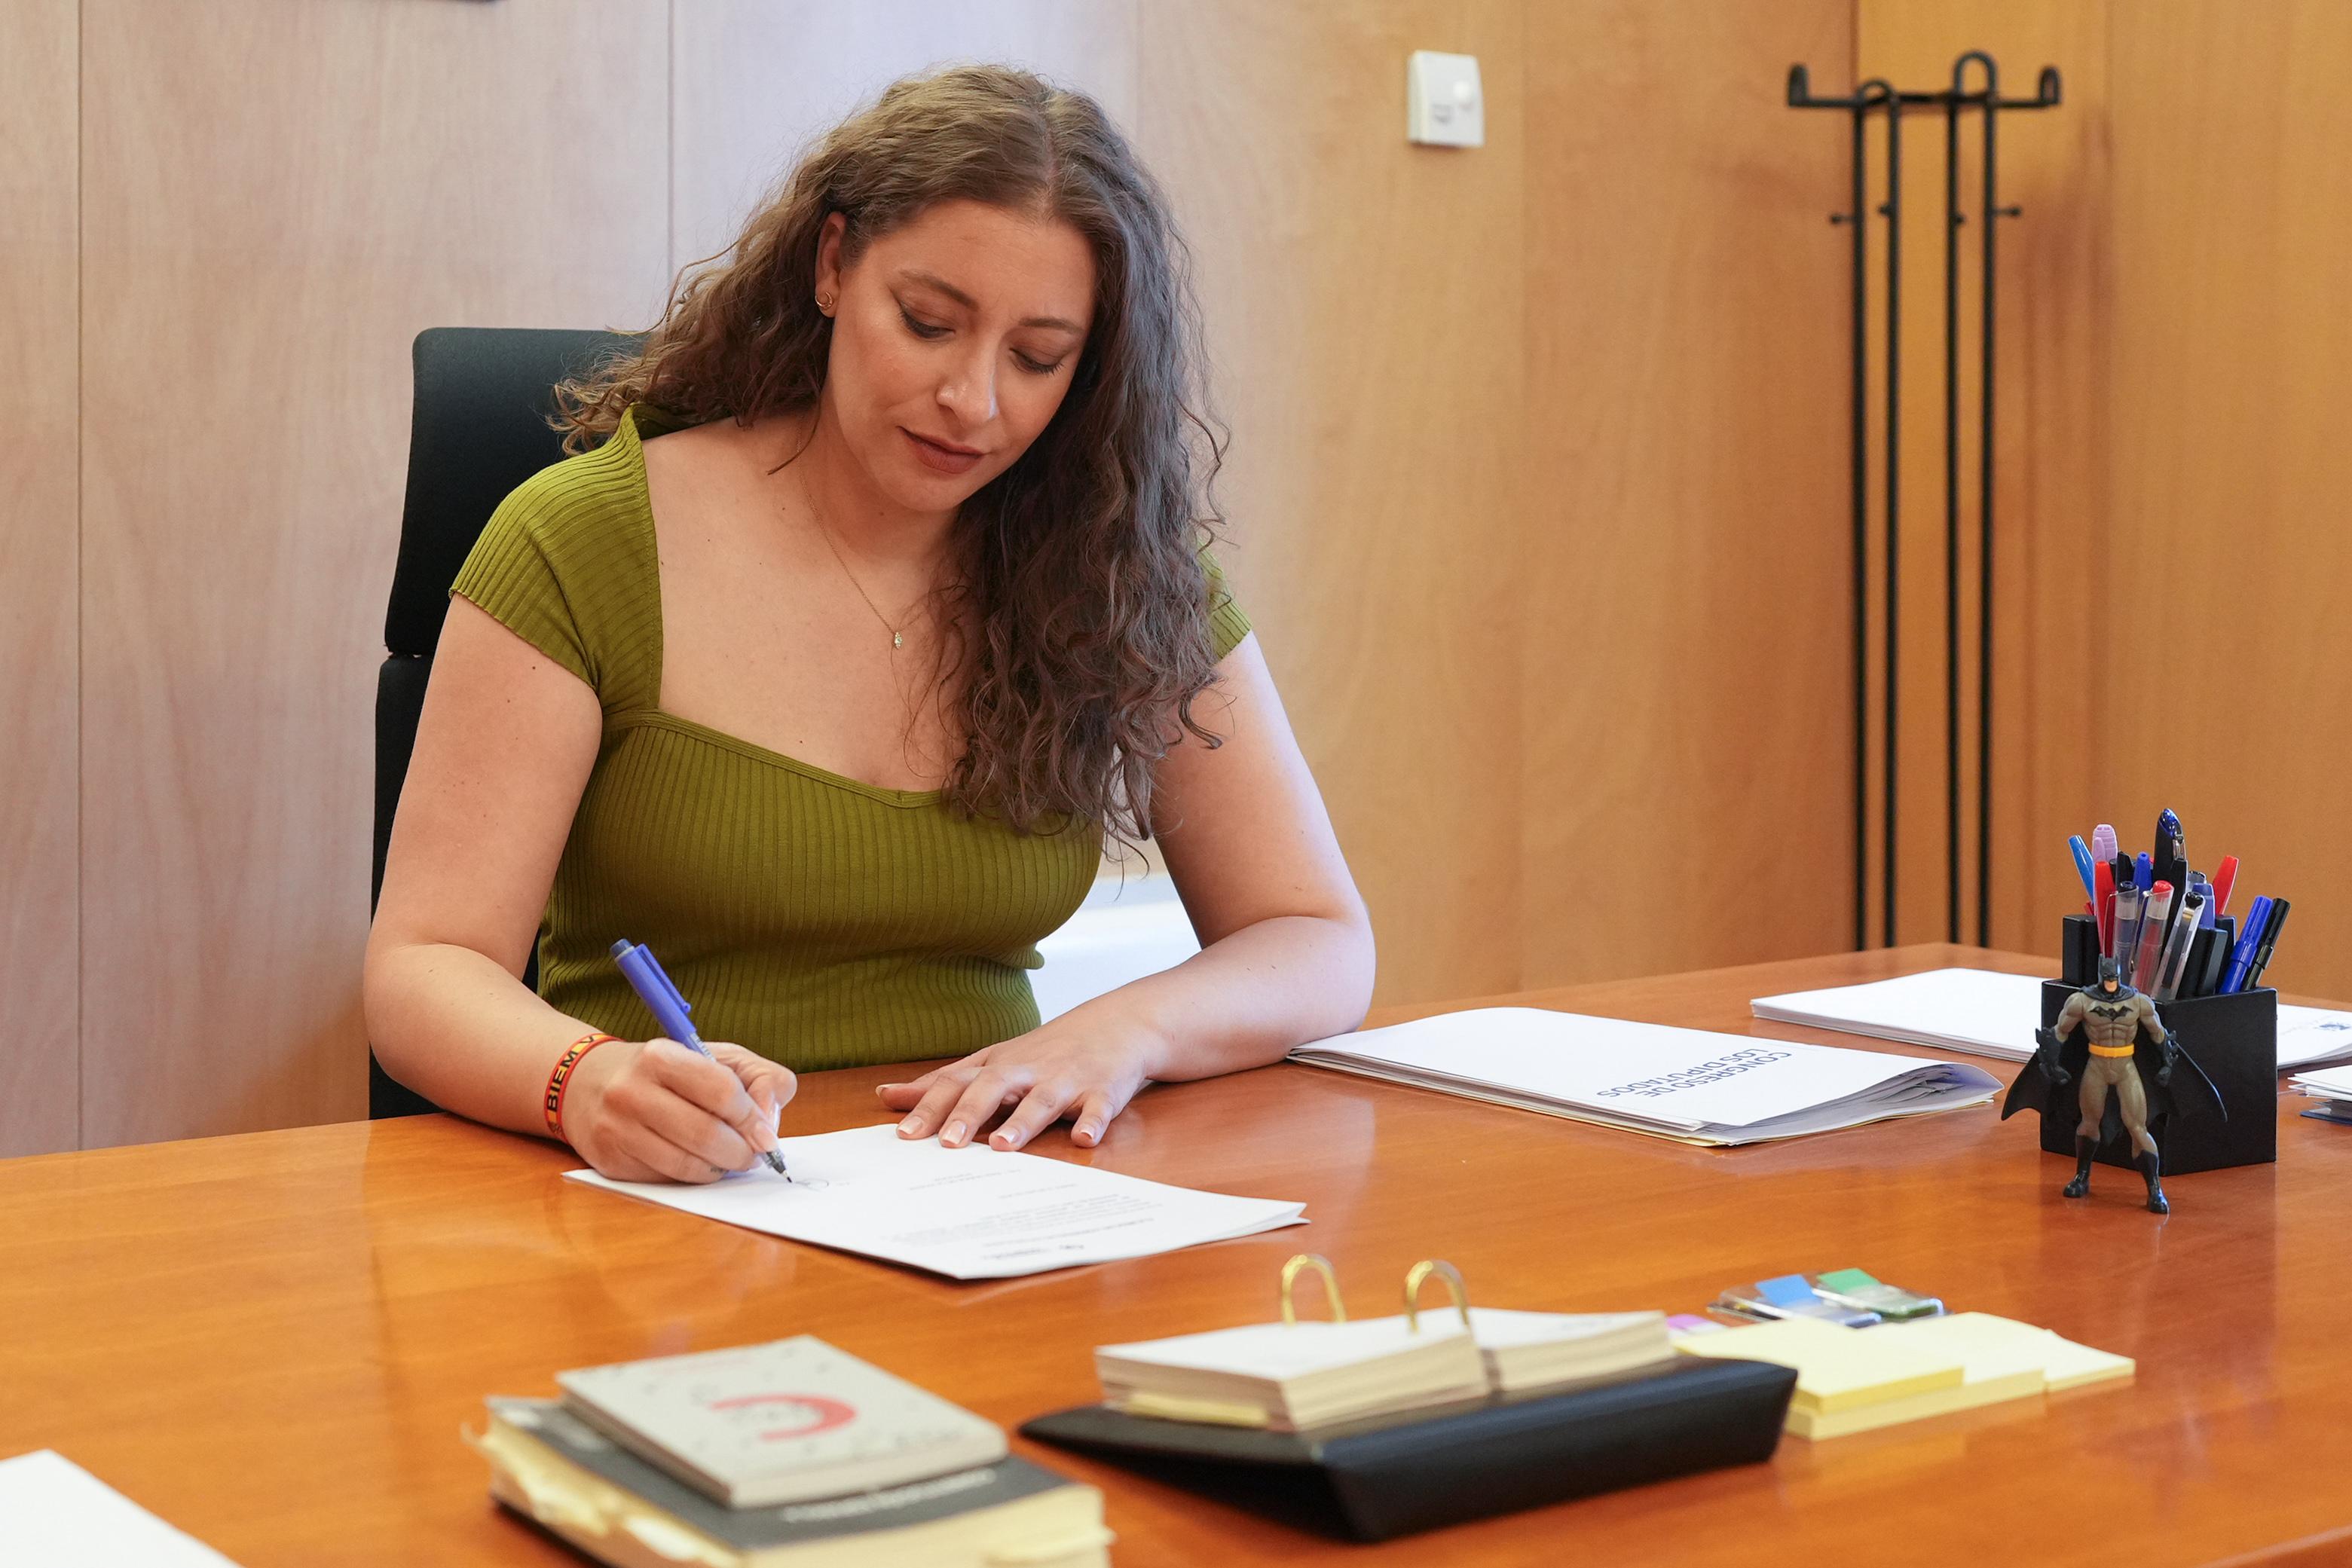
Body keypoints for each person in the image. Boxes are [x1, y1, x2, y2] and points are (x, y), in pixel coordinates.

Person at [364, 65, 1374, 1184]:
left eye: (1038, 356)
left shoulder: (1111, 561)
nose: (974, 400)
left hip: (990, 1193)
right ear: (834, 264)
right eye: (930, 323)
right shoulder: (584, 538)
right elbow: (423, 967)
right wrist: (585, 1077)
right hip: (668, 1199)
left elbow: (1315, 937)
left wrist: (1124, 1029)